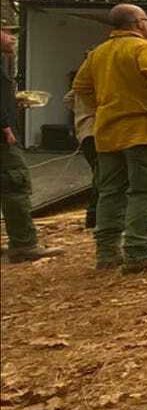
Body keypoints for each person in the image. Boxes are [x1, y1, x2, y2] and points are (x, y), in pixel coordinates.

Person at [71, 5, 147, 273]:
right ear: (139, 23)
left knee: (110, 193)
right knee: (144, 192)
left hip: (107, 134)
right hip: (144, 131)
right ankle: (138, 253)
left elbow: (80, 87)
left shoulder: (98, 54)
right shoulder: (146, 50)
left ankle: (106, 253)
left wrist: (106, 106)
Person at [0, 25, 63, 263]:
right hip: (2, 140)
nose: (12, 38)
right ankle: (24, 244)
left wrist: (14, 104)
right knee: (15, 184)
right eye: (6, 33)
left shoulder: (4, 63)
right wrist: (5, 125)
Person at [64, 63, 99, 228]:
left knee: (98, 172)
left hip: (84, 133)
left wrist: (80, 113)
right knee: (102, 175)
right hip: (97, 131)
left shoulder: (80, 85)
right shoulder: (98, 85)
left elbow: (67, 100)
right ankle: (93, 216)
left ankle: (94, 215)